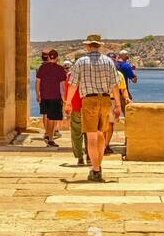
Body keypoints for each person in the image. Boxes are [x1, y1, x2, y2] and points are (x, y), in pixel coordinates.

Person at [63, 33, 121, 183]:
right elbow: (115, 85)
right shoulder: (108, 61)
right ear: (99, 46)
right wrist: (118, 105)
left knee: (91, 136)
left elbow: (73, 84)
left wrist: (68, 102)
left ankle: (95, 170)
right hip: (106, 100)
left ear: (88, 46)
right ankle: (98, 165)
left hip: (89, 100)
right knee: (101, 134)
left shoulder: (81, 62)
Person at [35, 48, 67, 148]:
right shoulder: (61, 69)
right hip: (56, 96)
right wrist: (64, 98)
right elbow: (62, 85)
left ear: (48, 57)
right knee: (53, 119)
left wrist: (38, 94)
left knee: (47, 116)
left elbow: (37, 82)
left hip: (44, 96)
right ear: (57, 58)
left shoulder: (42, 68)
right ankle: (51, 138)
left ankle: (47, 135)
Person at [63, 59, 88, 167]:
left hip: (76, 107)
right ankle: (91, 156)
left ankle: (80, 157)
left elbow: (67, 90)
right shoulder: (90, 74)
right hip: (89, 107)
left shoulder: (70, 75)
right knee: (90, 132)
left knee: (76, 134)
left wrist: (67, 104)